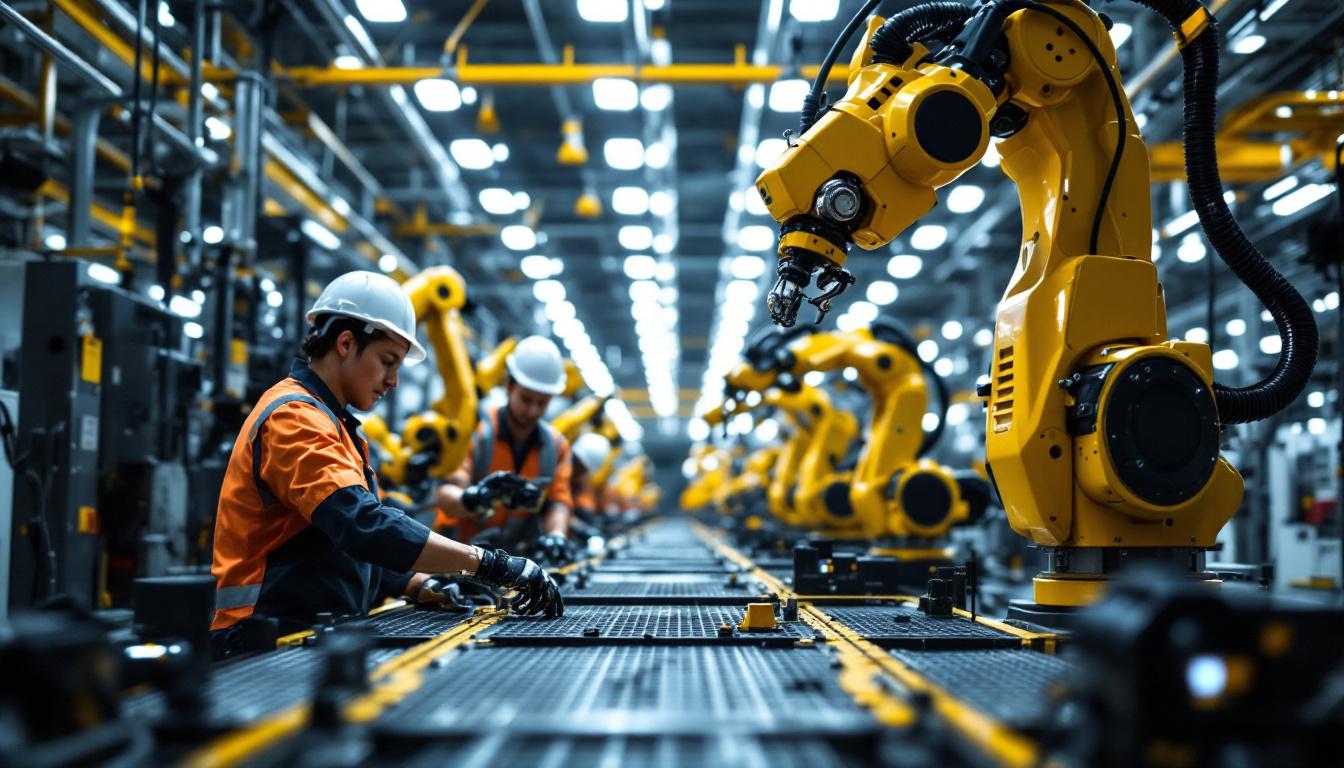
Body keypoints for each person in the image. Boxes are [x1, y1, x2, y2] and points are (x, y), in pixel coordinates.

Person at [210, 272, 562, 652]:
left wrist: (417, 584)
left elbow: (335, 546)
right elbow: (363, 525)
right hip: (256, 641)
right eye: (387, 361)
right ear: (346, 343)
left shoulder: (336, 424)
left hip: (300, 635)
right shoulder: (293, 418)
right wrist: (490, 564)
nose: (393, 381)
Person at [433, 335, 577, 565]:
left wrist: (556, 535)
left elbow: (557, 502)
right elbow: (446, 495)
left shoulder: (556, 446)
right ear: (509, 386)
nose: (532, 411)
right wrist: (477, 497)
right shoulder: (476, 431)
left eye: (542, 403)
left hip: (511, 565)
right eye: (526, 399)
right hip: (457, 558)